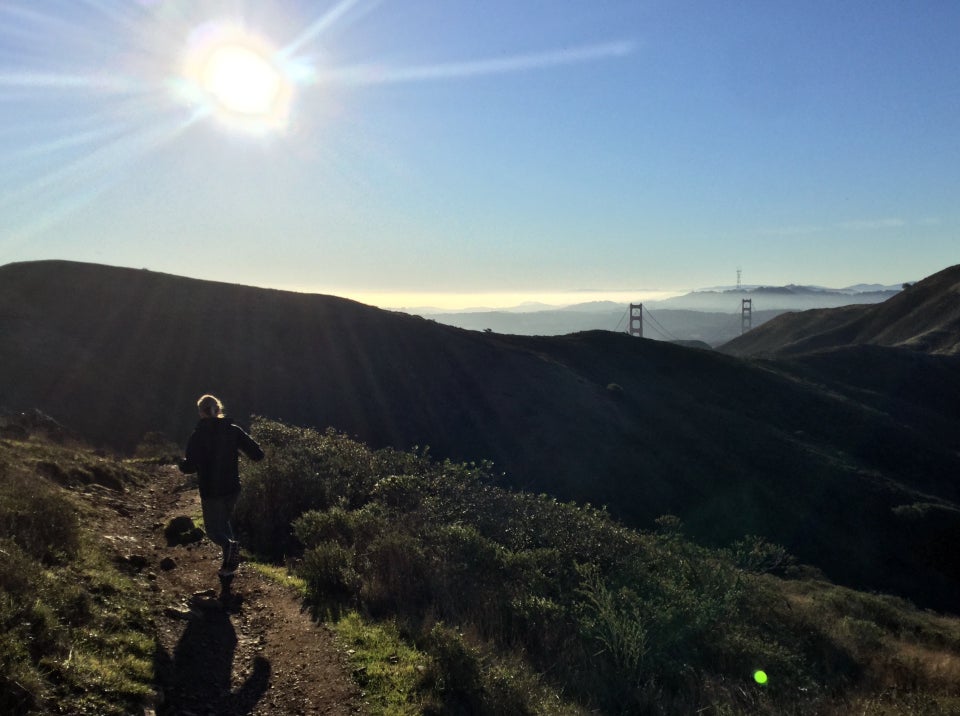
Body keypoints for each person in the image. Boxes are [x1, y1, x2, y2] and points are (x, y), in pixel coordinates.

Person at [178, 394, 264, 578]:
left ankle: (229, 548)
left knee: (213, 531)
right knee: (224, 523)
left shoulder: (198, 435)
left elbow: (189, 467)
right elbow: (257, 454)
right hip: (233, 487)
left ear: (201, 412)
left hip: (210, 490)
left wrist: (181, 463)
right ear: (219, 410)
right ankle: (229, 566)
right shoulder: (233, 430)